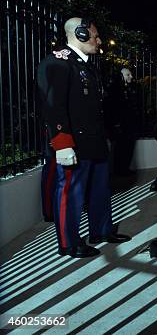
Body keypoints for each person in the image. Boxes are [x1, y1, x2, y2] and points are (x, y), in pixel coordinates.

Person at [36, 17, 131, 258]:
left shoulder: (85, 65)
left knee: (101, 189)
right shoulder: (57, 63)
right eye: (95, 36)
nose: (99, 41)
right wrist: (62, 144)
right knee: (71, 192)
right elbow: (53, 107)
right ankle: (69, 243)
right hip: (74, 143)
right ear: (79, 34)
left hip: (94, 141)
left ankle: (101, 231)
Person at [108, 67, 139, 176]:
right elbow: (113, 109)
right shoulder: (115, 90)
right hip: (121, 126)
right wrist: (116, 125)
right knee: (120, 149)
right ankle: (119, 170)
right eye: (128, 75)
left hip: (129, 125)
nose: (131, 77)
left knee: (128, 148)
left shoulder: (130, 89)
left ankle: (124, 169)